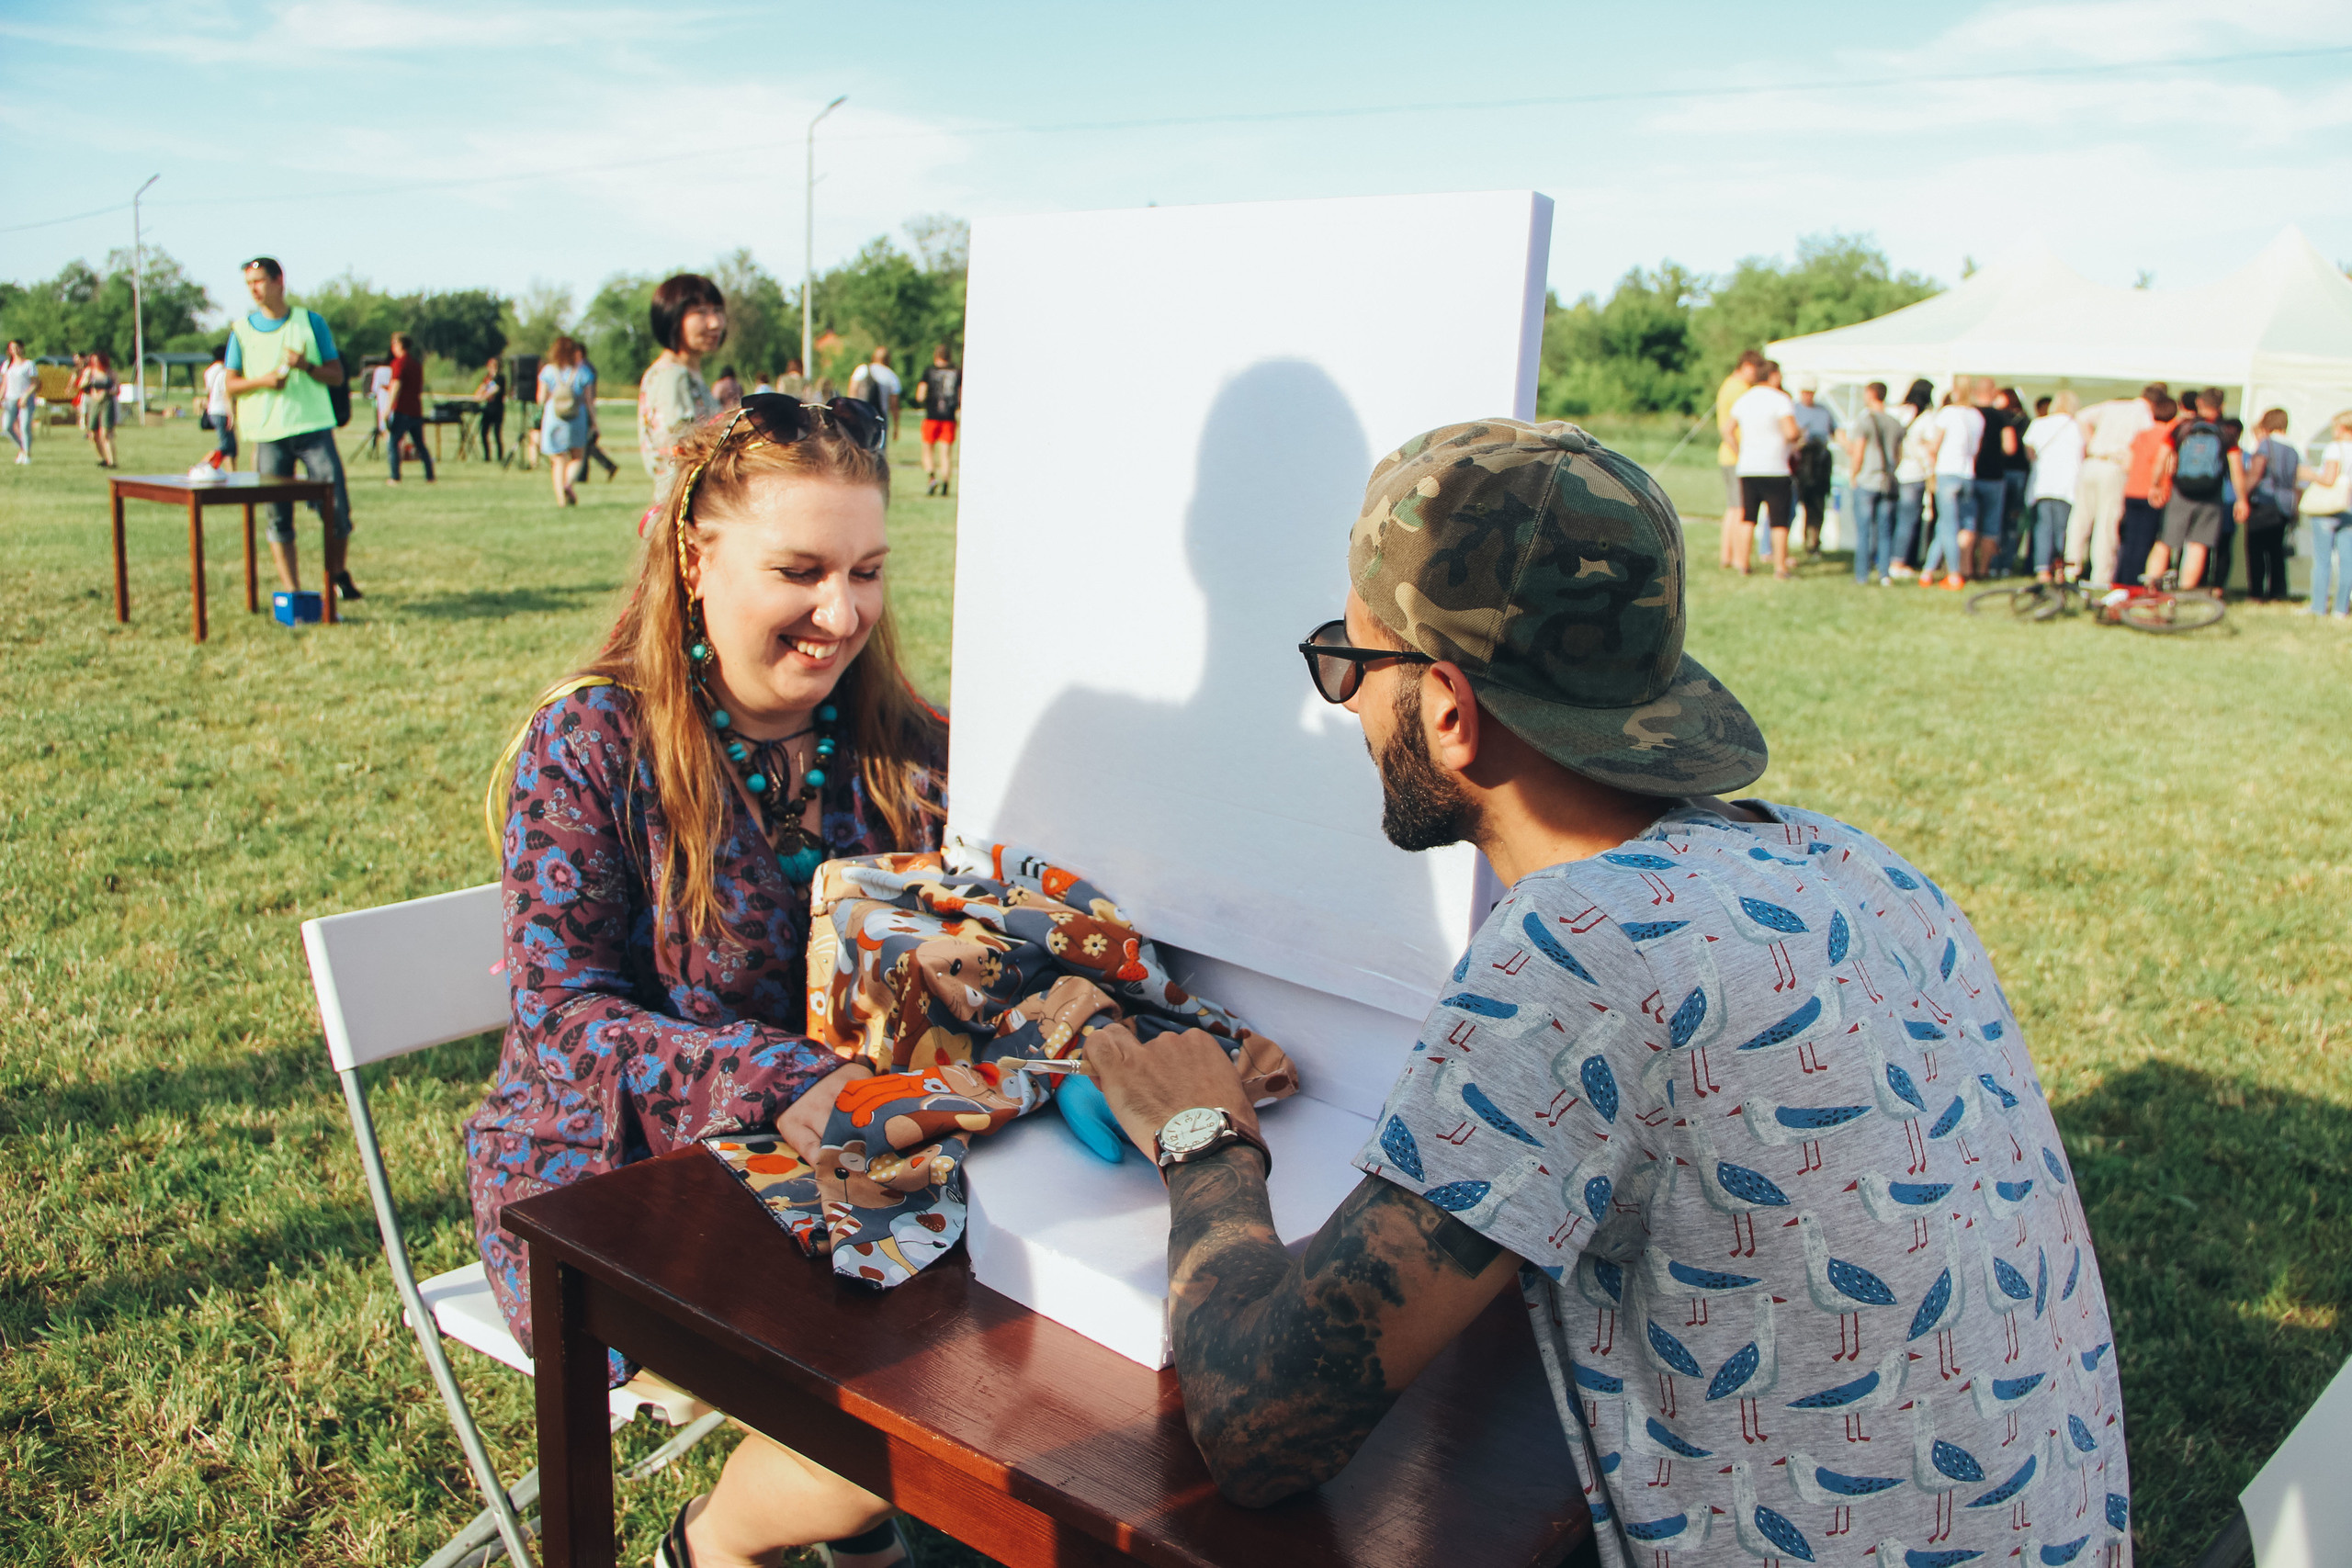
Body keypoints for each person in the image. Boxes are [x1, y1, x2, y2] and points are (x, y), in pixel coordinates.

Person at [1084, 418, 2130, 1562]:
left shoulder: (1582, 947)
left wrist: (1204, 1139)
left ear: (1445, 706)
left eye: (1352, 661)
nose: (1345, 704)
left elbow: (1259, 1427)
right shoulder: (1856, 865)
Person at [466, 392, 938, 1568]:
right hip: (608, 1174)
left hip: (850, 1153)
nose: (844, 615)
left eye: (869, 571)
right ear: (695, 555)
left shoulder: (907, 743)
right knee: (914, 1397)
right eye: (802, 570)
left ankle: (848, 1527)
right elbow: (560, 1015)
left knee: (1018, 1351)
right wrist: (786, 1076)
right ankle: (717, 1547)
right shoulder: (591, 745)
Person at [223, 256, 358, 601]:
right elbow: (231, 384)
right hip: (269, 436)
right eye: (249, 283)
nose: (254, 289)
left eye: (259, 281)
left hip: (313, 429)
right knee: (278, 518)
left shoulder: (310, 322)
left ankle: (337, 574)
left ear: (279, 281)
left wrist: (306, 366)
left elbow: (337, 375)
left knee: (338, 511)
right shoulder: (240, 330)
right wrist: (265, 381)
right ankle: (293, 592)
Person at [639, 273, 728, 508]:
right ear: (673, 317)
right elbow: (680, 453)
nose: (715, 323)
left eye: (717, 311)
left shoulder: (687, 373)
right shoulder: (672, 375)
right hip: (683, 507)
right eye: (700, 312)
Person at [2143, 389, 2245, 591]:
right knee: (2198, 545)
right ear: (2221, 406)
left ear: (2199, 403)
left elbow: (2162, 459)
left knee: (2165, 542)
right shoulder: (2227, 433)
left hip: (2181, 491)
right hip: (2210, 495)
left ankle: (2150, 588)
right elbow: (2236, 470)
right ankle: (2185, 592)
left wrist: (2155, 485)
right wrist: (2242, 499)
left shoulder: (2182, 428)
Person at [2075, 385, 2162, 585]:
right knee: (2106, 523)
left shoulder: (2114, 405)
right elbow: (2146, 441)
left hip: (2092, 461)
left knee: (2080, 519)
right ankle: (2101, 576)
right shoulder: (2144, 414)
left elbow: (2082, 416)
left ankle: (2072, 566)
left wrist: (2092, 442)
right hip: (2115, 464)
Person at [1727, 357, 1800, 577]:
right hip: (1775, 466)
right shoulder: (1780, 400)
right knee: (1779, 519)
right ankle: (1780, 566)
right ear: (1774, 376)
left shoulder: (1744, 399)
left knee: (1748, 517)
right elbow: (1791, 432)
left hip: (1748, 466)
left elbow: (1727, 429)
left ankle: (1742, 562)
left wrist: (1739, 451)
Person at [1917, 382, 1984, 589]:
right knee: (1947, 524)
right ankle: (1927, 572)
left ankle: (1954, 573)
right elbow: (1976, 449)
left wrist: (1922, 445)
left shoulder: (1947, 414)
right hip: (1967, 473)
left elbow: (1935, 445)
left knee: (1948, 524)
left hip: (1947, 471)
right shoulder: (1977, 417)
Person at [1843, 379, 1905, 584]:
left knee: (1864, 531)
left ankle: (1861, 574)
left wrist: (1854, 474)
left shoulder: (1865, 421)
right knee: (1885, 531)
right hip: (1887, 482)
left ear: (1870, 394)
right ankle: (1884, 574)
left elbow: (1858, 452)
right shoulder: (1895, 423)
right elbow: (1898, 456)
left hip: (1867, 480)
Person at [2115, 393, 2178, 587]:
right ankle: (2134, 583)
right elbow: (2168, 465)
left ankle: (2121, 579)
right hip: (2154, 493)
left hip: (2132, 490)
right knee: (2145, 542)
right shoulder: (2169, 437)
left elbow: (2128, 462)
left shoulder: (2142, 434)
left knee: (2129, 540)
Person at [2023, 389, 2085, 583]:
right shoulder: (2077, 426)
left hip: (2043, 482)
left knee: (2043, 527)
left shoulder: (2039, 424)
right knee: (2062, 529)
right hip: (2067, 483)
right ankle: (2060, 569)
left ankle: (2042, 569)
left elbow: (2030, 453)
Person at [2242, 408, 2300, 602]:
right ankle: (2278, 591)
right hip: (2285, 504)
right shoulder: (2293, 450)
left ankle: (2257, 591)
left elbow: (2256, 472)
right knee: (2276, 550)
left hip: (2265, 501)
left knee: (2256, 549)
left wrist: (2243, 494)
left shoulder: (2266, 445)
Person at [1713, 350, 1764, 567]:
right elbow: (1729, 429)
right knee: (1740, 507)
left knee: (1733, 507)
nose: (1755, 375)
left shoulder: (1728, 385)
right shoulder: (1740, 389)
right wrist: (1742, 453)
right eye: (1754, 370)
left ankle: (1727, 554)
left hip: (1727, 455)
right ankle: (1735, 557)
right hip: (1736, 456)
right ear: (1745, 366)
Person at [537, 335, 595, 507]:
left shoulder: (547, 371)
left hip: (554, 417)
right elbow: (589, 401)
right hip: (577, 417)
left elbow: (540, 398)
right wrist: (594, 422)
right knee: (577, 457)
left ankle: (561, 500)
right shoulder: (583, 372)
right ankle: (568, 483)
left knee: (558, 459)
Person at [1967, 378, 2017, 580]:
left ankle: (1965, 567)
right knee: (1990, 526)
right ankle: (1983, 569)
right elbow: (2010, 447)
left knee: (1969, 524)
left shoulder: (1969, 414)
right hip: (1994, 476)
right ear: (1993, 392)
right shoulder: (2001, 417)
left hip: (1971, 473)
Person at [1887, 377, 1936, 580]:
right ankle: (1899, 560)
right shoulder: (1926, 418)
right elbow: (1928, 448)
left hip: (1895, 470)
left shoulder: (1898, 412)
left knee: (1893, 518)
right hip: (1915, 472)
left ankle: (1890, 557)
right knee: (1909, 519)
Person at [2306, 412, 2352, 619]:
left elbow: (2329, 478)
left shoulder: (2335, 448)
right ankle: (2341, 608)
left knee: (2323, 559)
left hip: (2329, 508)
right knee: (2347, 561)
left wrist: (2309, 474)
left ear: (2342, 428)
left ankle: (2318, 606)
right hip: (2349, 508)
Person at [1789, 372, 1838, 557]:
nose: (1808, 395)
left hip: (1819, 463)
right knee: (1793, 502)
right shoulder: (1793, 409)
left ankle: (1813, 542)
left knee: (1816, 505)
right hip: (1800, 461)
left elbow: (1835, 432)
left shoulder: (1823, 411)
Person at [383, 333, 435, 485]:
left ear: (399, 345)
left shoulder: (399, 363)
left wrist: (387, 409)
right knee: (420, 444)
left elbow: (397, 385)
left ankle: (394, 476)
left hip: (402, 410)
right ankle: (430, 475)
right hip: (416, 410)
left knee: (393, 443)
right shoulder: (416, 364)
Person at [913, 344, 961, 497]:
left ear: (936, 356)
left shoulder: (929, 371)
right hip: (949, 417)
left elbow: (920, 394)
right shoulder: (957, 372)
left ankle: (932, 477)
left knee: (927, 450)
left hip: (932, 416)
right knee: (945, 454)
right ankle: (946, 483)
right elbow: (960, 395)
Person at [188, 343, 237, 477]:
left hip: (212, 409)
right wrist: (231, 415)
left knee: (230, 447)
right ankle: (202, 466)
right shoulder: (224, 372)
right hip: (222, 410)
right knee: (226, 445)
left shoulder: (209, 371)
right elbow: (226, 394)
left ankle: (231, 473)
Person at [848, 346, 901, 445]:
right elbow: (894, 404)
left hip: (859, 415)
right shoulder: (891, 376)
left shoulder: (862, 369)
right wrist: (896, 426)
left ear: (873, 357)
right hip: (880, 418)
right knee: (878, 449)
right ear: (888, 359)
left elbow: (852, 392)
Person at [77, 349, 119, 468]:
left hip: (107, 401)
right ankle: (102, 457)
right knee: (93, 433)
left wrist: (110, 390)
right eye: (93, 361)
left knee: (106, 433)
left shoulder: (110, 373)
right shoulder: (90, 372)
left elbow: (117, 388)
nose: (96, 363)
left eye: (98, 361)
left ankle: (112, 461)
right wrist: (88, 383)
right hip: (94, 401)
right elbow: (81, 385)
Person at [4, 340, 38, 464]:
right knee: (7, 427)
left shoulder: (29, 364)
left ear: (22, 348)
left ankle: (27, 454)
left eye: (17, 347)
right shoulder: (7, 365)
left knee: (24, 426)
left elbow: (35, 383)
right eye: (12, 348)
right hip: (10, 398)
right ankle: (22, 449)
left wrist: (25, 396)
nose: (15, 350)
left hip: (25, 398)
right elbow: (4, 384)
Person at [475, 356, 506, 465]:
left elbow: (494, 390)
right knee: (483, 433)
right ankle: (487, 456)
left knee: (497, 434)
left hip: (497, 409)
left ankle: (499, 457)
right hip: (488, 409)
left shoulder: (500, 378)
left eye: (496, 366)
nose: (494, 368)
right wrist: (477, 396)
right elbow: (482, 388)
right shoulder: (487, 378)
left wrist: (482, 397)